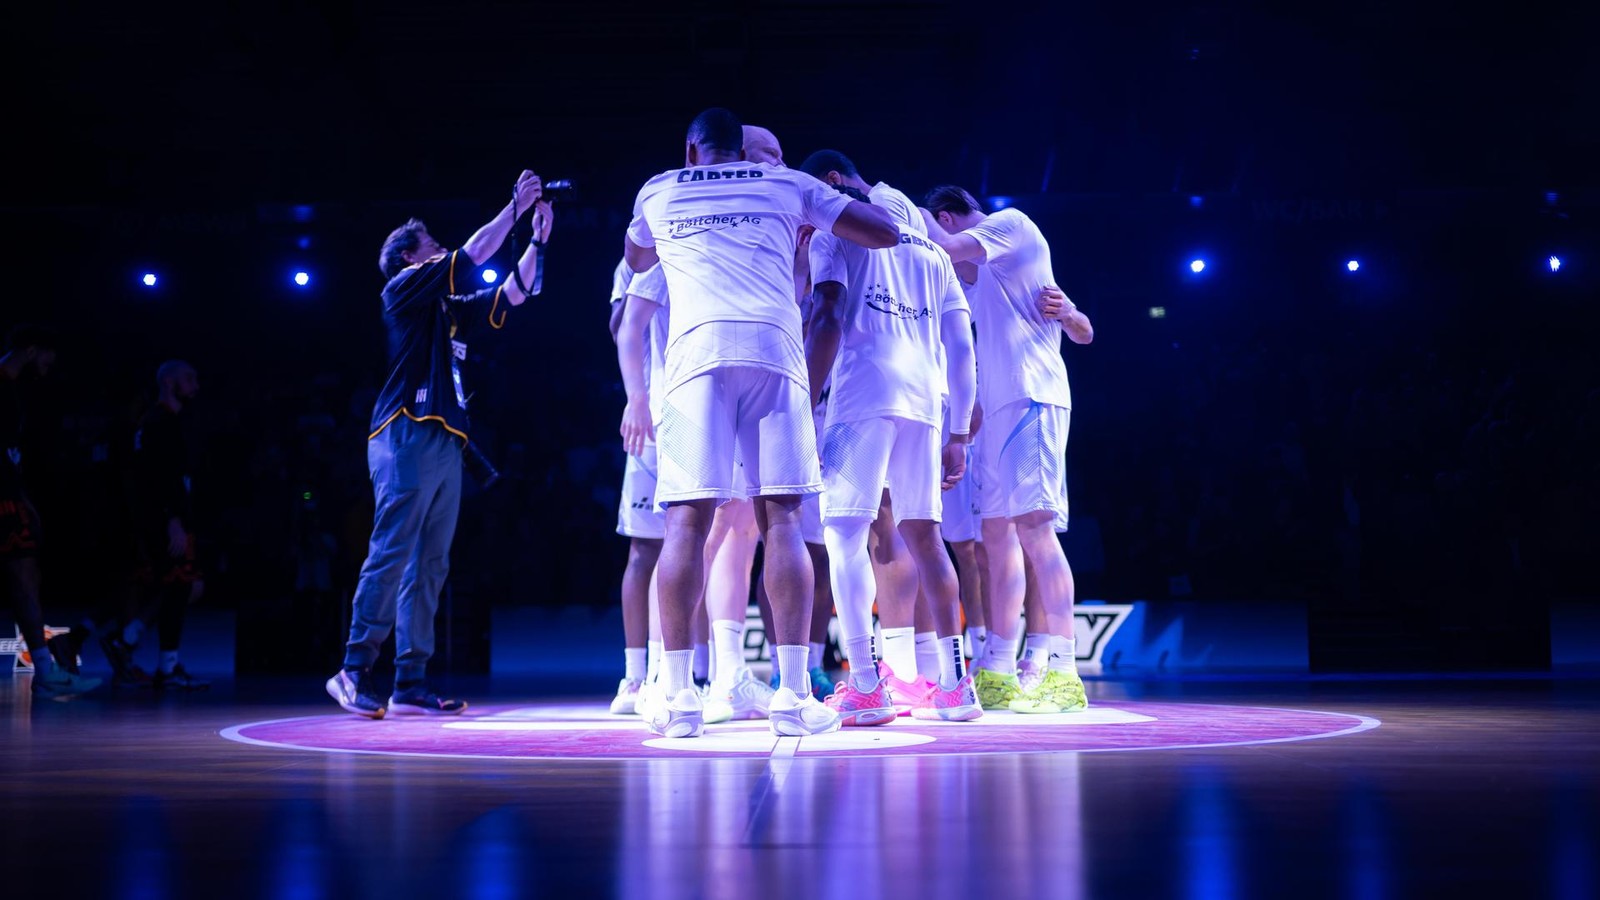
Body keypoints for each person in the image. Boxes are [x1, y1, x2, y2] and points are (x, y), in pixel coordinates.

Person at [621, 108, 897, 738]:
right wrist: (824, 202)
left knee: (686, 523)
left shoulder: (658, 188)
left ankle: (681, 699)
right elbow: (881, 231)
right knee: (783, 520)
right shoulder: (789, 184)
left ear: (693, 149)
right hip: (774, 354)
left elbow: (636, 258)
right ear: (747, 152)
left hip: (695, 361)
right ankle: (794, 695)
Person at [327, 170, 551, 719]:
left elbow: (517, 293)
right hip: (405, 431)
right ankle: (353, 669)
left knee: (431, 564)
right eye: (431, 246)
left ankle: (410, 679)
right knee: (392, 552)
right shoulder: (402, 290)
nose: (442, 250)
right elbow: (475, 252)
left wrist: (539, 239)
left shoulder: (448, 307)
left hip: (446, 442)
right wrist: (515, 209)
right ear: (410, 259)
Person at [800, 176, 980, 724]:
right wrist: (957, 433)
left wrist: (804, 407)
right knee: (925, 535)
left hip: (862, 396)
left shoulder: (841, 232)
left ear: (831, 186)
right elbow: (961, 345)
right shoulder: (930, 248)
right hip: (925, 402)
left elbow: (827, 317)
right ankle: (955, 687)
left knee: (843, 534)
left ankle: (865, 686)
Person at [920, 185, 1094, 713]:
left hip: (1031, 398)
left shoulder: (1011, 224)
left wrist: (902, 216)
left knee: (1034, 529)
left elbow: (945, 250)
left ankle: (1063, 672)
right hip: (996, 413)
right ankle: (997, 667)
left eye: (937, 223)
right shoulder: (983, 282)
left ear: (949, 217)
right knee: (994, 534)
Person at [0, 325, 102, 700]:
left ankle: (45, 670)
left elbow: (10, 455)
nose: (47, 367)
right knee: (24, 578)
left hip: (10, 498)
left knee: (26, 577)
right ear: (30, 350)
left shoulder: (14, 390)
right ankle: (45, 671)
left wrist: (22, 496)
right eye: (45, 359)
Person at [114, 359, 211, 690]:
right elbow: (157, 477)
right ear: (169, 382)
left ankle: (128, 639)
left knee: (182, 586)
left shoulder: (165, 421)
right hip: (164, 520)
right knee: (180, 584)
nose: (195, 384)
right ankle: (163, 665)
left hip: (168, 517)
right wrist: (173, 519)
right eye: (189, 377)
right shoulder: (159, 421)